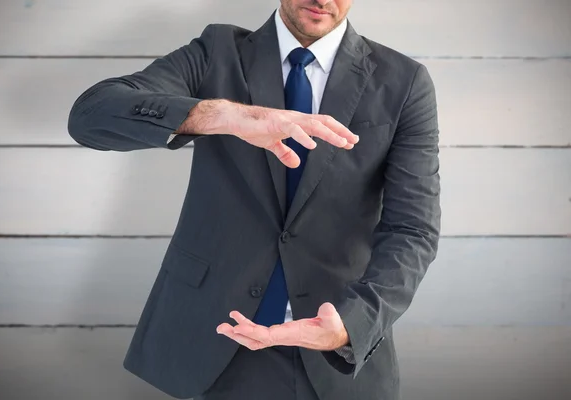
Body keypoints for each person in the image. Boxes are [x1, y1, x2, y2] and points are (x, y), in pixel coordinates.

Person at [67, 0, 440, 399]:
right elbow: (91, 115)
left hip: (336, 346)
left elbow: (412, 229)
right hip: (218, 341)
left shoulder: (404, 81)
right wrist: (221, 115)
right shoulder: (217, 51)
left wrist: (355, 323)